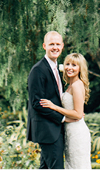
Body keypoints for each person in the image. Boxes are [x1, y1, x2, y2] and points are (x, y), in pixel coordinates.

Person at [40, 53, 91, 169]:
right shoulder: (69, 85)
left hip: (77, 133)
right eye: (67, 64)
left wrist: (55, 107)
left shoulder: (77, 85)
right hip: (69, 131)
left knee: (77, 166)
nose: (70, 68)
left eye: (74, 65)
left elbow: (78, 113)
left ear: (80, 68)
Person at [27, 31, 67, 169]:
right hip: (47, 129)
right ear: (44, 46)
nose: (55, 47)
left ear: (62, 46)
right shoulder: (38, 70)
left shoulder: (56, 68)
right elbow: (36, 103)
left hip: (54, 129)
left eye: (57, 44)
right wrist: (61, 118)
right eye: (51, 44)